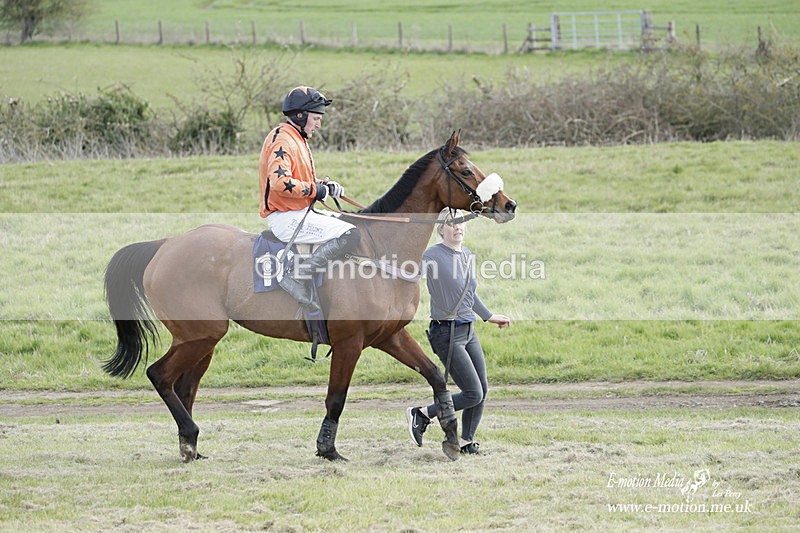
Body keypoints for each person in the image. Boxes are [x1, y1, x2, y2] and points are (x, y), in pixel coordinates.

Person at [406, 208, 511, 454]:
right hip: (446, 333)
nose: (458, 227)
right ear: (441, 229)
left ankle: (466, 441)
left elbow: (469, 293)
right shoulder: (431, 255)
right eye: (451, 223)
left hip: (468, 330)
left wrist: (489, 316)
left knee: (482, 390)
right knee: (472, 392)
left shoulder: (466, 254)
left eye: (461, 223)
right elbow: (407, 273)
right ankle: (421, 414)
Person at [258, 86, 360, 311]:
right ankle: (296, 277)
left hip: (300, 212)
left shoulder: (296, 138)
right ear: (300, 115)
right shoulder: (283, 140)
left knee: (354, 222)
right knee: (351, 233)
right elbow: (280, 183)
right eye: (316, 118)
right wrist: (316, 191)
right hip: (286, 217)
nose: (319, 124)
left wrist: (324, 186)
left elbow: (301, 181)